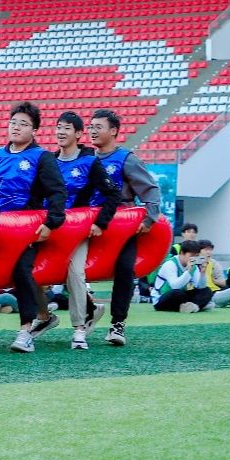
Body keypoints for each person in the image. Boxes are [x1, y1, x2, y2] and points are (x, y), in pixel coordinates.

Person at [0, 101, 68, 353]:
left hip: (28, 229)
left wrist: (50, 223)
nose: (16, 127)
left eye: (23, 124)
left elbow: (57, 192)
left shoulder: (42, 157)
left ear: (34, 130)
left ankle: (25, 331)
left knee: (21, 271)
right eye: (13, 122)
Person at [86, 107, 163, 347]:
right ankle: (89, 308)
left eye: (98, 127)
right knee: (74, 270)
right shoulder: (85, 158)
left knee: (124, 270)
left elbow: (150, 190)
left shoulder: (126, 159)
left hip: (122, 227)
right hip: (90, 226)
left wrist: (149, 219)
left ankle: (117, 323)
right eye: (90, 127)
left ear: (114, 131)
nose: (92, 131)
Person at [53, 110, 116, 349]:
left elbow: (112, 194)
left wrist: (100, 223)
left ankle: (80, 328)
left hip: (77, 231)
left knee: (75, 272)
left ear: (79, 134)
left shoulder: (90, 162)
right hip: (51, 228)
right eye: (58, 127)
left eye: (67, 128)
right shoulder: (49, 161)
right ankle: (42, 317)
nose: (61, 132)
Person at [152, 241, 213, 312]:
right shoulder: (170, 264)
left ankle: (192, 306)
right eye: (191, 256)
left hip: (181, 297)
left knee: (207, 290)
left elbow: (200, 287)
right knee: (176, 293)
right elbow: (175, 286)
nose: (193, 259)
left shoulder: (194, 267)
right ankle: (198, 305)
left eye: (196, 256)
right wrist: (188, 272)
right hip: (162, 299)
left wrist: (202, 273)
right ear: (182, 253)